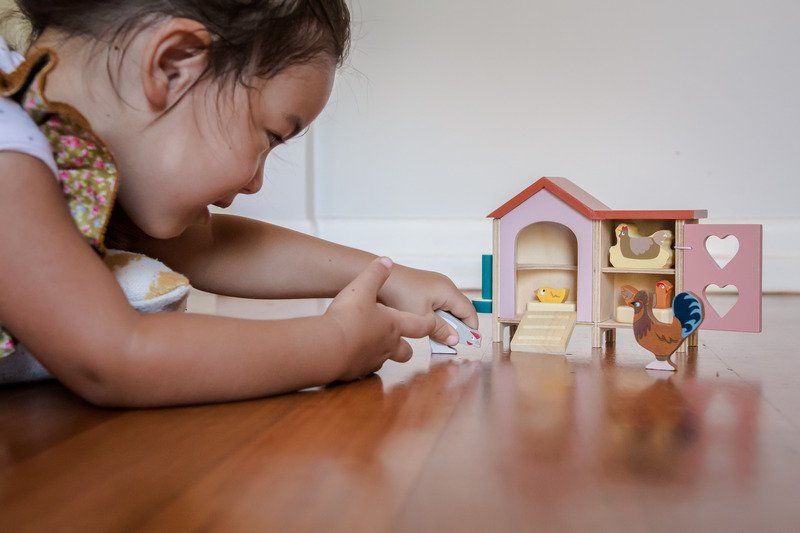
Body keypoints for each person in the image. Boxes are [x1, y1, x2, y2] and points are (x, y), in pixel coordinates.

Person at [0, 1, 478, 407]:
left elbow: (206, 246)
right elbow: (114, 355)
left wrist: (393, 279)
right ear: (172, 66)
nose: (255, 183)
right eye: (270, 137)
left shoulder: (67, 149)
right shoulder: (7, 147)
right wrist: (335, 344)